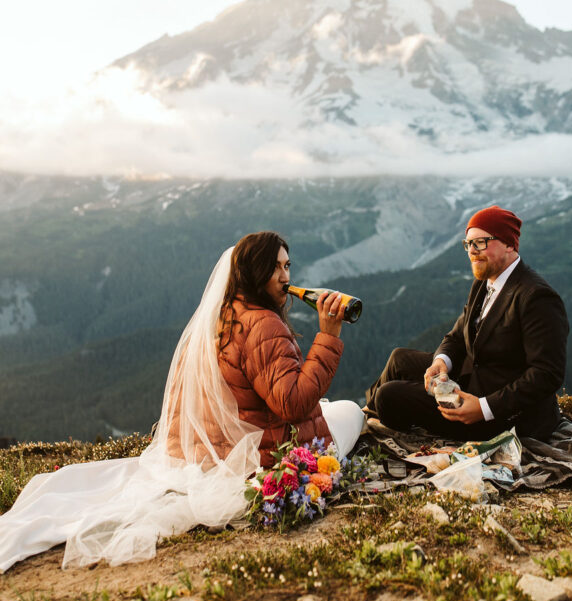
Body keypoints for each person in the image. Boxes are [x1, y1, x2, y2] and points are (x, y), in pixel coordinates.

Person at [0, 232, 364, 573]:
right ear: (255, 273)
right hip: (258, 457)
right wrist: (329, 337)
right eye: (276, 267)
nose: (285, 276)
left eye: (288, 266)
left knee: (330, 407)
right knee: (349, 411)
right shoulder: (264, 325)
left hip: (207, 455)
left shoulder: (221, 315)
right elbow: (293, 405)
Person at [365, 206, 569, 442]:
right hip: (472, 379)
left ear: (509, 245)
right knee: (399, 358)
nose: (472, 251)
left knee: (389, 395)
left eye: (480, 243)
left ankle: (376, 425)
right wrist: (441, 363)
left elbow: (547, 374)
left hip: (501, 414)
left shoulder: (536, 297)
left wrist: (483, 408)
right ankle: (365, 416)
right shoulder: (484, 283)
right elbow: (457, 336)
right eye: (468, 243)